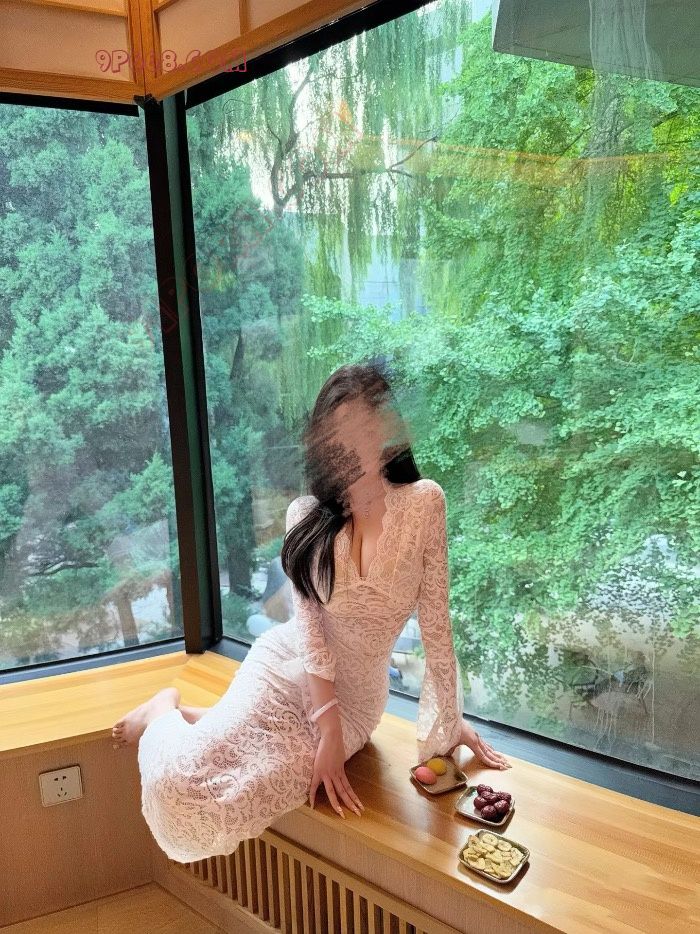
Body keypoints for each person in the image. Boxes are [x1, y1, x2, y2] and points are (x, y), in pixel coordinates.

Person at [111, 360, 512, 863]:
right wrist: (327, 728)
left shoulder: (424, 503)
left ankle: (208, 718)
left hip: (357, 702)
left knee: (230, 797)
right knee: (181, 789)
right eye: (338, 434)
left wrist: (447, 724)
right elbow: (309, 629)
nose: (353, 446)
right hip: (287, 667)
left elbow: (437, 628)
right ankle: (162, 711)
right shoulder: (305, 514)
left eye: (366, 428)